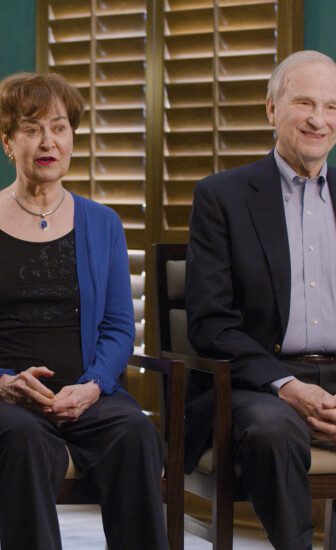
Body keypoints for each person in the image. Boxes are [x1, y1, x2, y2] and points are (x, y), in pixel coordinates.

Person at [0, 72, 168, 550]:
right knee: (28, 439)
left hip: (84, 392)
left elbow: (121, 326)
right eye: (31, 128)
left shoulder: (103, 224)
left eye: (59, 127)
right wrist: (0, 380)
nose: (47, 142)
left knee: (136, 432)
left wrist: (95, 385)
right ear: (6, 141)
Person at [186, 50, 336, 550]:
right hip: (258, 383)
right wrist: (288, 385)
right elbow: (210, 324)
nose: (319, 119)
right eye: (305, 103)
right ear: (271, 109)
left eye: (332, 106)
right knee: (274, 430)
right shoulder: (221, 197)